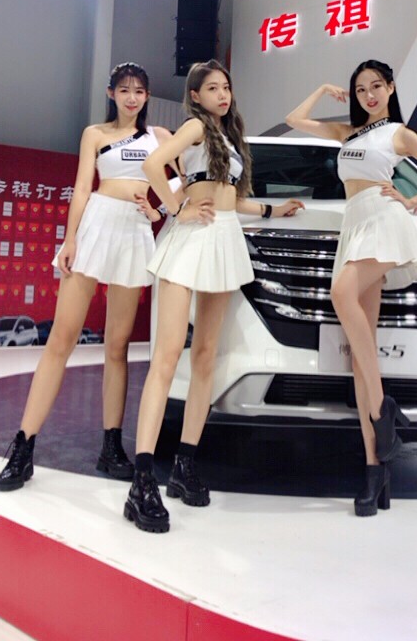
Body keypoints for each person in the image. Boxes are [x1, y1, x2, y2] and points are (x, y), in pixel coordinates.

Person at [123, 60, 304, 533]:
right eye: (213, 88)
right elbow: (151, 165)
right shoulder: (196, 127)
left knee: (206, 356)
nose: (223, 94)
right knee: (167, 358)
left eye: (226, 87)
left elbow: (230, 199)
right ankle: (142, 480)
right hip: (191, 238)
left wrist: (272, 210)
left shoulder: (228, 137)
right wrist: (175, 207)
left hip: (224, 237)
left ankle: (185, 464)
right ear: (196, 96)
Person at [286, 60, 417, 516]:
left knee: (340, 294)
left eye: (376, 86)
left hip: (383, 218)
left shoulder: (399, 133)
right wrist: (323, 88)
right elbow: (293, 120)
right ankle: (374, 473)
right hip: (354, 225)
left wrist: (413, 200)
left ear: (391, 88)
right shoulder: (348, 134)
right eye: (361, 89)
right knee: (360, 363)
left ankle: (383, 408)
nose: (369, 95)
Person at [0, 63, 177, 491]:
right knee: (62, 338)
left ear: (148, 96)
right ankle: (23, 447)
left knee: (117, 346)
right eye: (124, 90)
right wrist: (70, 238)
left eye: (139, 91)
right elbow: (81, 188)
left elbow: (188, 179)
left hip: (134, 231)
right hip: (97, 223)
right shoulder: (95, 133)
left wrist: (160, 210)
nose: (132, 98)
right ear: (111, 93)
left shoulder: (161, 136)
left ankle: (111, 448)